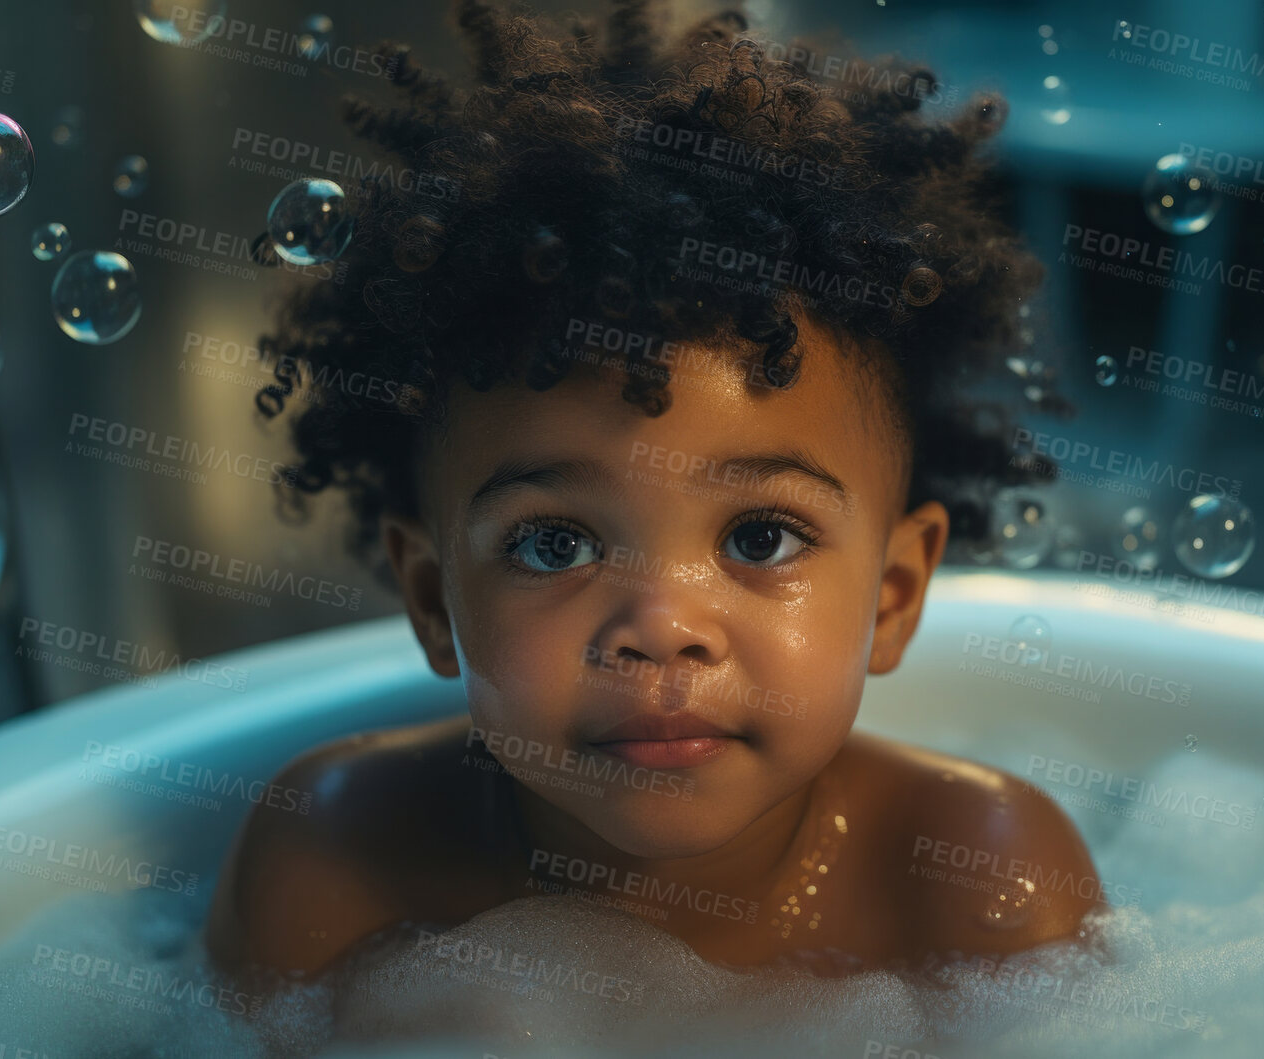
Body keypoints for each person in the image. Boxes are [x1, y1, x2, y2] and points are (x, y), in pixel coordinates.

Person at [205, 0, 1099, 991]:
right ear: (431, 597)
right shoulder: (332, 868)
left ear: (892, 595)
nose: (663, 628)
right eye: (553, 545)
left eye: (760, 538)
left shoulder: (980, 885)